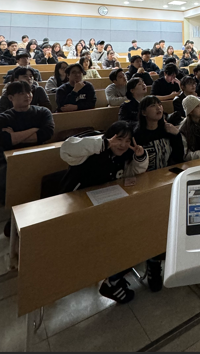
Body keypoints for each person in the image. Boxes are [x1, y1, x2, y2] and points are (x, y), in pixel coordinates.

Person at [60, 121, 148, 303]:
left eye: (128, 141)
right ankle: (112, 279)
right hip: (77, 208)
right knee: (117, 237)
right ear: (109, 137)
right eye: (119, 139)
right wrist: (103, 143)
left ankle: (114, 277)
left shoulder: (123, 157)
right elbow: (66, 149)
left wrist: (140, 157)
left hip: (105, 206)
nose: (123, 145)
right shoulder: (91, 150)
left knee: (136, 229)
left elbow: (133, 174)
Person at [134, 96, 183, 291]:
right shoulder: (137, 134)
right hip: (145, 186)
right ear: (143, 112)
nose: (158, 108)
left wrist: (177, 135)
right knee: (153, 224)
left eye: (160, 105)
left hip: (167, 181)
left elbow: (179, 158)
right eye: (153, 106)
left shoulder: (167, 129)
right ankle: (153, 263)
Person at [0, 81, 54, 213]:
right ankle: (17, 215)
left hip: (38, 154)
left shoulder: (43, 112)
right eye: (21, 93)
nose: (27, 95)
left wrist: (15, 136)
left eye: (29, 92)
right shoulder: (2, 118)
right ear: (10, 97)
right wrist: (35, 129)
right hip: (11, 159)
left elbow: (47, 133)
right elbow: (3, 140)